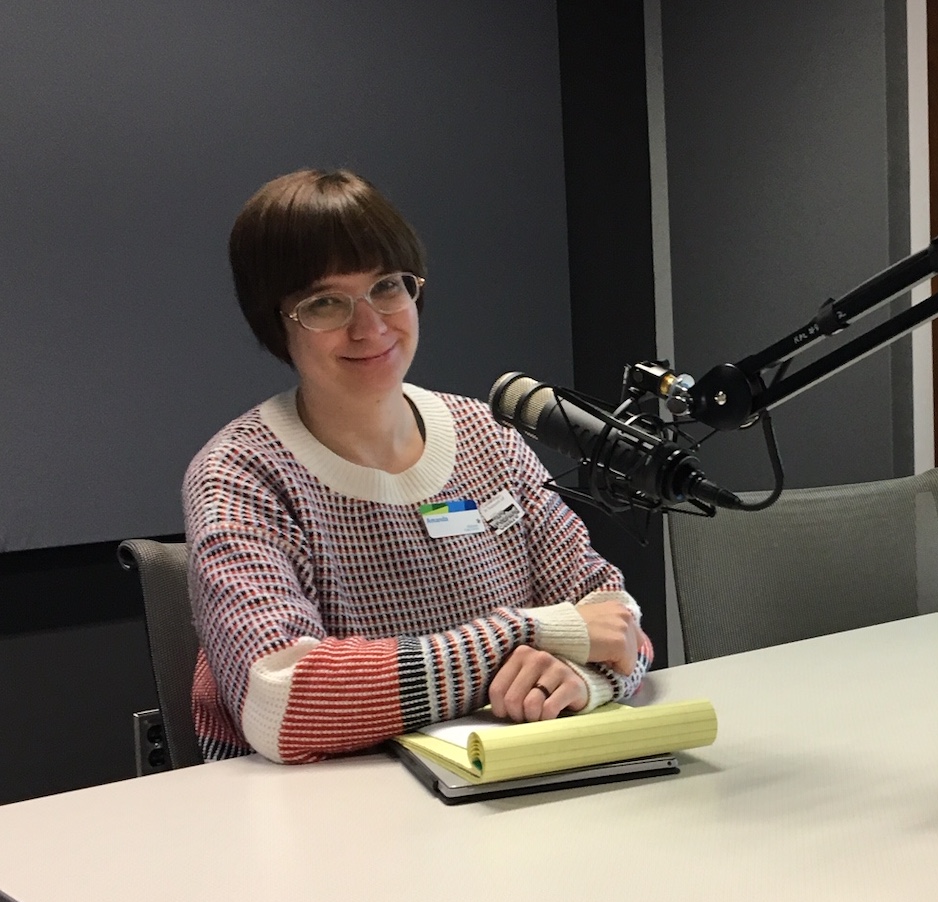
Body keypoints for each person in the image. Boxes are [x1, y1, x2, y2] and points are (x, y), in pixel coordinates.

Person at [185, 168, 649, 764]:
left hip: (495, 790)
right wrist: (536, 634)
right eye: (325, 302)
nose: (370, 325)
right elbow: (286, 701)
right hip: (323, 822)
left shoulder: (489, 434)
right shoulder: (240, 472)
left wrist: (585, 685)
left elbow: (613, 618)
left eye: (387, 287)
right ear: (275, 320)